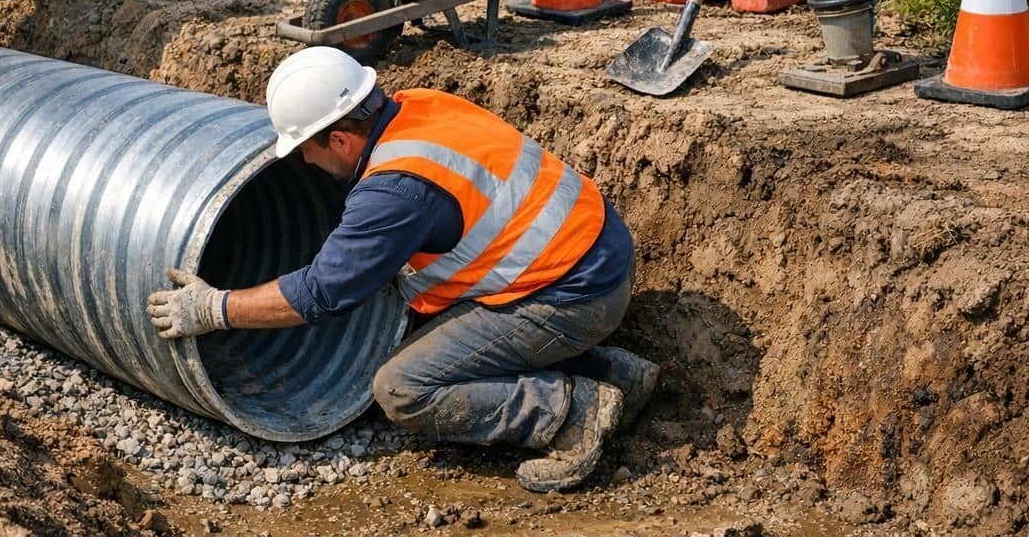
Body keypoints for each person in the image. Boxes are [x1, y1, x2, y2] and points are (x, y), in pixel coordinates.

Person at [147, 46, 658, 492]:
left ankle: (572, 414)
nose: (304, 164)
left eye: (305, 150)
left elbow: (322, 293)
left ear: (340, 140)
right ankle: (615, 373)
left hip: (574, 294)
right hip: (595, 250)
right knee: (432, 334)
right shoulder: (419, 105)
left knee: (403, 387)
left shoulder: (395, 190)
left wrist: (215, 309)